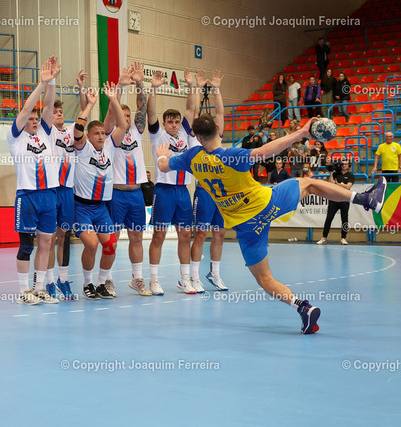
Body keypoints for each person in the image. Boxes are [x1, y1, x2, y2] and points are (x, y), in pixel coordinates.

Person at [156, 108, 388, 334]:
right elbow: (265, 151)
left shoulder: (191, 157)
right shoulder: (230, 155)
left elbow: (164, 166)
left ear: (195, 136)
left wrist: (162, 156)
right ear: (218, 128)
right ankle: (365, 198)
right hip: (267, 204)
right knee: (309, 184)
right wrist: (300, 134)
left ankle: (301, 307)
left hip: (246, 226)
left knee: (264, 278)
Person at [7, 56, 61, 305]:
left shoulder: (46, 134)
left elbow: (48, 107)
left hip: (48, 195)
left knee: (47, 242)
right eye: (31, 118)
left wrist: (52, 84)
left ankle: (39, 288)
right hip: (27, 195)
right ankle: (22, 291)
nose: (35, 120)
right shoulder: (16, 137)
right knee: (26, 244)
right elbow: (26, 109)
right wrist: (40, 84)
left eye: (36, 119)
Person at [146, 68, 200, 295]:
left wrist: (191, 85)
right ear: (165, 123)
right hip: (164, 190)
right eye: (170, 121)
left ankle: (184, 279)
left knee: (185, 235)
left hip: (183, 191)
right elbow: (150, 113)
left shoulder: (187, 136)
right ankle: (154, 279)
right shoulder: (158, 135)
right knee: (158, 234)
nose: (174, 124)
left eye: (177, 121)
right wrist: (154, 89)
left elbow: (191, 108)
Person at [73, 82, 128, 299]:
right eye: (95, 134)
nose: (100, 137)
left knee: (111, 245)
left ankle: (102, 283)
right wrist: (89, 105)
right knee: (92, 243)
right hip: (81, 206)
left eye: (102, 134)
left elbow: (122, 126)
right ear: (89, 135)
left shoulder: (109, 147)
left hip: (101, 208)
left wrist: (114, 99)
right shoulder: (83, 147)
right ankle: (87, 283)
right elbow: (77, 128)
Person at [102, 62, 149, 297]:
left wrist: (140, 83)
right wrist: (118, 89)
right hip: (116, 193)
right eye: (124, 114)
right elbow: (111, 114)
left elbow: (143, 108)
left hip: (136, 193)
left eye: (129, 115)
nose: (127, 118)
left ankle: (137, 278)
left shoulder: (138, 132)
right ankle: (108, 280)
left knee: (137, 236)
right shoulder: (111, 133)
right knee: (112, 238)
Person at [41, 69, 88, 300]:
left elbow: (83, 112)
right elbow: (47, 108)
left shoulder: (70, 132)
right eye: (55, 112)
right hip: (51, 190)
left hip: (68, 191)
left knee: (65, 236)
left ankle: (62, 279)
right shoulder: (46, 133)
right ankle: (47, 281)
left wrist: (80, 87)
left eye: (61, 112)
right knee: (48, 238)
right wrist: (52, 82)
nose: (58, 114)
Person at [190, 69, 228, 293]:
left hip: (220, 195)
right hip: (204, 193)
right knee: (201, 234)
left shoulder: (217, 138)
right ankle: (193, 276)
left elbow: (221, 112)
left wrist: (215, 88)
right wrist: (196, 86)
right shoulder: (196, 143)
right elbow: (194, 110)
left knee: (220, 233)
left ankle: (215, 273)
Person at [317, 158, 354, 245]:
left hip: (344, 199)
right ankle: (324, 237)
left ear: (348, 166)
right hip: (334, 199)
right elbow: (330, 183)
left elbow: (348, 187)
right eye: (342, 164)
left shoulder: (350, 176)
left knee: (344, 219)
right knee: (329, 218)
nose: (344, 165)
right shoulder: (335, 174)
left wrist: (337, 184)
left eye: (346, 164)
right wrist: (330, 173)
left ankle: (343, 238)